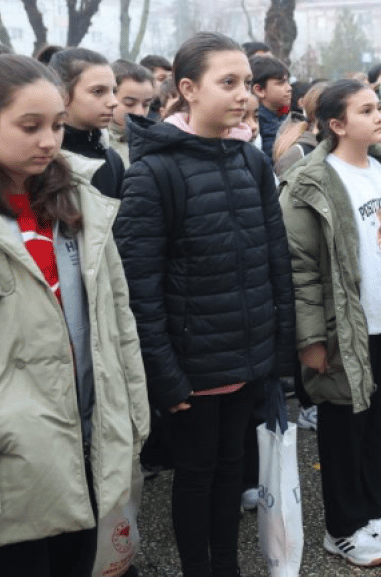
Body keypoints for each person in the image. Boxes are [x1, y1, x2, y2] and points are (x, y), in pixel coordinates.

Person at [0, 54, 149, 576]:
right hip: (1, 469)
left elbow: (119, 325)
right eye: (30, 126)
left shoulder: (81, 202)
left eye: (56, 125)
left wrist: (133, 425)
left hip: (91, 448)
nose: (49, 141)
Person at [115, 32, 295, 577]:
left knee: (233, 465)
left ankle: (227, 566)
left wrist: (276, 352)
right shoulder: (155, 173)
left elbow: (274, 261)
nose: (244, 95)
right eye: (228, 83)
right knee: (195, 474)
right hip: (191, 369)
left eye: (246, 83)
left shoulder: (250, 162)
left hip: (246, 357)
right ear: (188, 89)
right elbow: (139, 288)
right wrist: (166, 376)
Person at [280, 79, 381, 567]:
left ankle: (372, 513)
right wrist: (310, 339)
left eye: (380, 108)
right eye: (367, 110)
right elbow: (301, 268)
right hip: (343, 329)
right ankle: (342, 526)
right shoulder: (312, 182)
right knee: (343, 430)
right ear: (336, 124)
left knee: (378, 426)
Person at [48, 48, 126, 199]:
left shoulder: (111, 159)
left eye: (113, 91)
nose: (113, 102)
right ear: (62, 93)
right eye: (98, 91)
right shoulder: (45, 157)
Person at [109, 59, 157, 166]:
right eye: (129, 103)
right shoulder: (95, 142)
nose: (140, 113)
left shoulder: (155, 142)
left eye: (146, 105)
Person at [249, 55, 292, 159]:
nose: (289, 88)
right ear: (260, 90)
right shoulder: (257, 124)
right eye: (281, 83)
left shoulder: (283, 116)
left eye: (288, 82)